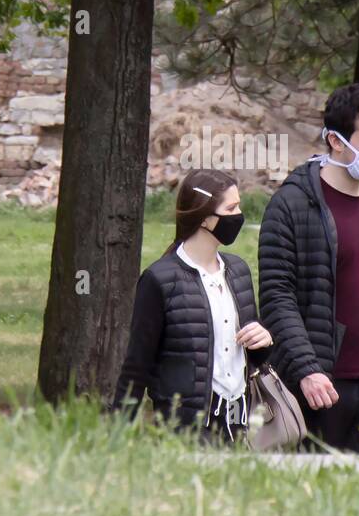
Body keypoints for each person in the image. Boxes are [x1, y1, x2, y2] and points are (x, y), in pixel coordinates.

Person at [258, 79, 359, 454]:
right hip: (320, 388)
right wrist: (308, 369)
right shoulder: (290, 205)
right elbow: (277, 297)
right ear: (335, 141)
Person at [113, 169, 274, 444]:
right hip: (187, 428)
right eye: (232, 208)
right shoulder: (159, 280)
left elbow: (248, 354)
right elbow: (138, 364)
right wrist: (116, 434)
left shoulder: (239, 271)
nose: (239, 215)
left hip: (239, 424)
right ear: (205, 217)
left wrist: (264, 342)